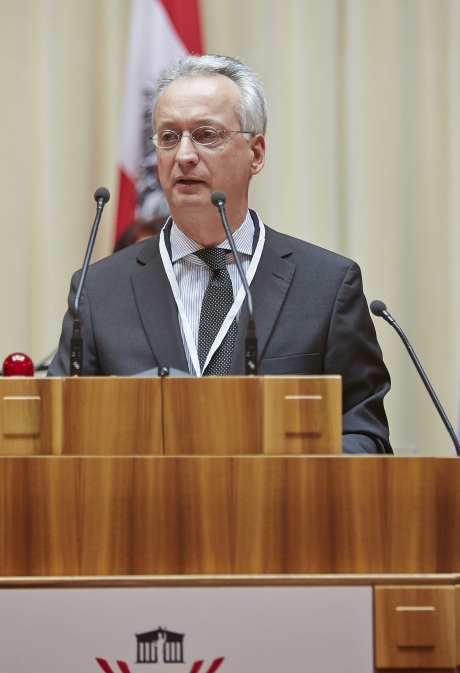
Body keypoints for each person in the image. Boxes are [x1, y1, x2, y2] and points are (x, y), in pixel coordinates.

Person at [49, 54, 392, 454]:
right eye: (168, 137)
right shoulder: (99, 291)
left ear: (256, 153)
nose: (184, 155)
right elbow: (62, 437)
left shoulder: (327, 286)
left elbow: (364, 435)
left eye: (207, 134)